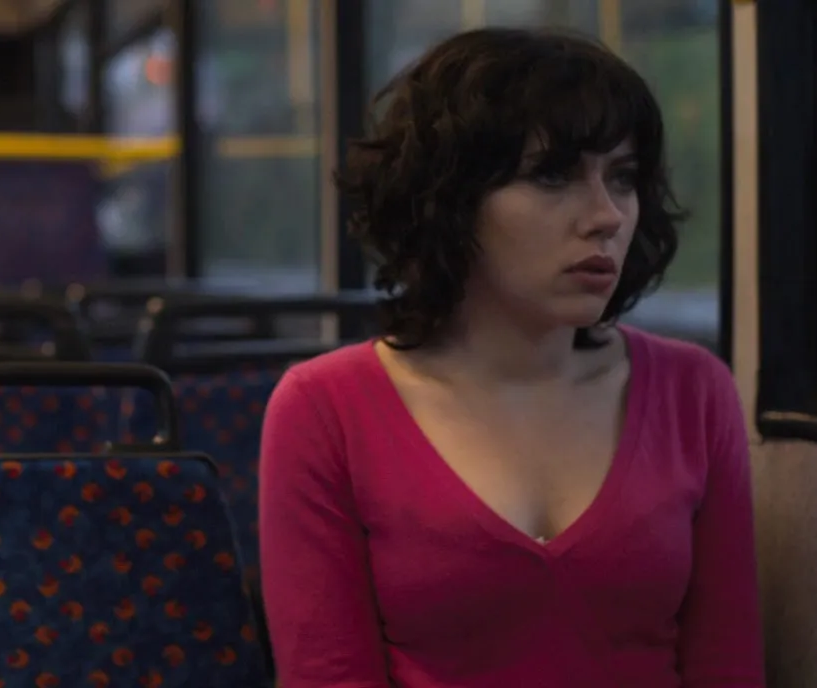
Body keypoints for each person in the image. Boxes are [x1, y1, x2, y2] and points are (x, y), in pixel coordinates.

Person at [256, 27, 765, 688]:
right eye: (552, 175)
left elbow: (727, 666)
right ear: (449, 199)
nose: (607, 215)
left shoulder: (694, 392)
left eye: (622, 178)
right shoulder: (325, 409)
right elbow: (329, 675)